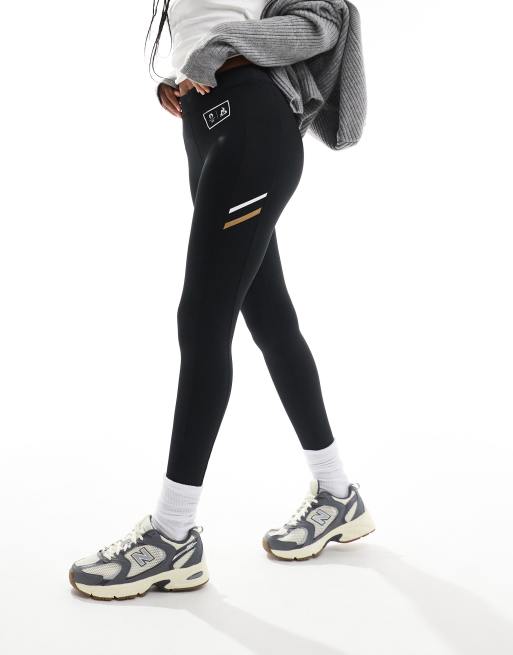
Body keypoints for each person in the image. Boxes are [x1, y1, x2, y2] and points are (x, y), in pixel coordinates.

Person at [69, 0, 374, 601]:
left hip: (252, 123)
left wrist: (221, 49)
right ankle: (339, 494)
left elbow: (324, 21)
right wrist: (178, 76)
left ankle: (172, 535)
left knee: (203, 318)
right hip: (208, 128)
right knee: (269, 316)